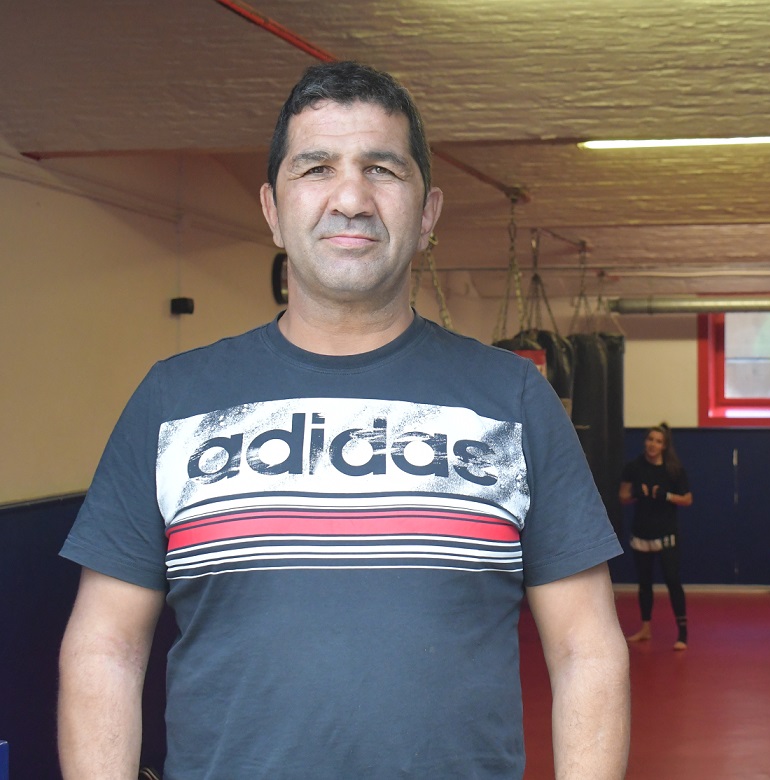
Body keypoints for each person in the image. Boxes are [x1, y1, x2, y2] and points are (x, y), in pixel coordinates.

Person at [57, 61, 630, 779]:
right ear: (272, 209)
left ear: (428, 213)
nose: (352, 198)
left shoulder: (513, 400)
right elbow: (105, 648)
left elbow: (586, 650)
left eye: (382, 169)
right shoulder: (175, 401)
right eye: (316, 168)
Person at [620, 423, 694, 650]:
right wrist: (636, 494)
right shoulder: (634, 467)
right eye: (650, 439)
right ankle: (645, 628)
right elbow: (623, 496)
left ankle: (682, 633)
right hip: (642, 532)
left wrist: (666, 496)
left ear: (664, 446)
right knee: (644, 583)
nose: (653, 444)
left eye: (658, 441)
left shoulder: (674, 470)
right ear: (645, 442)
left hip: (666, 533)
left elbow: (687, 499)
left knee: (672, 580)